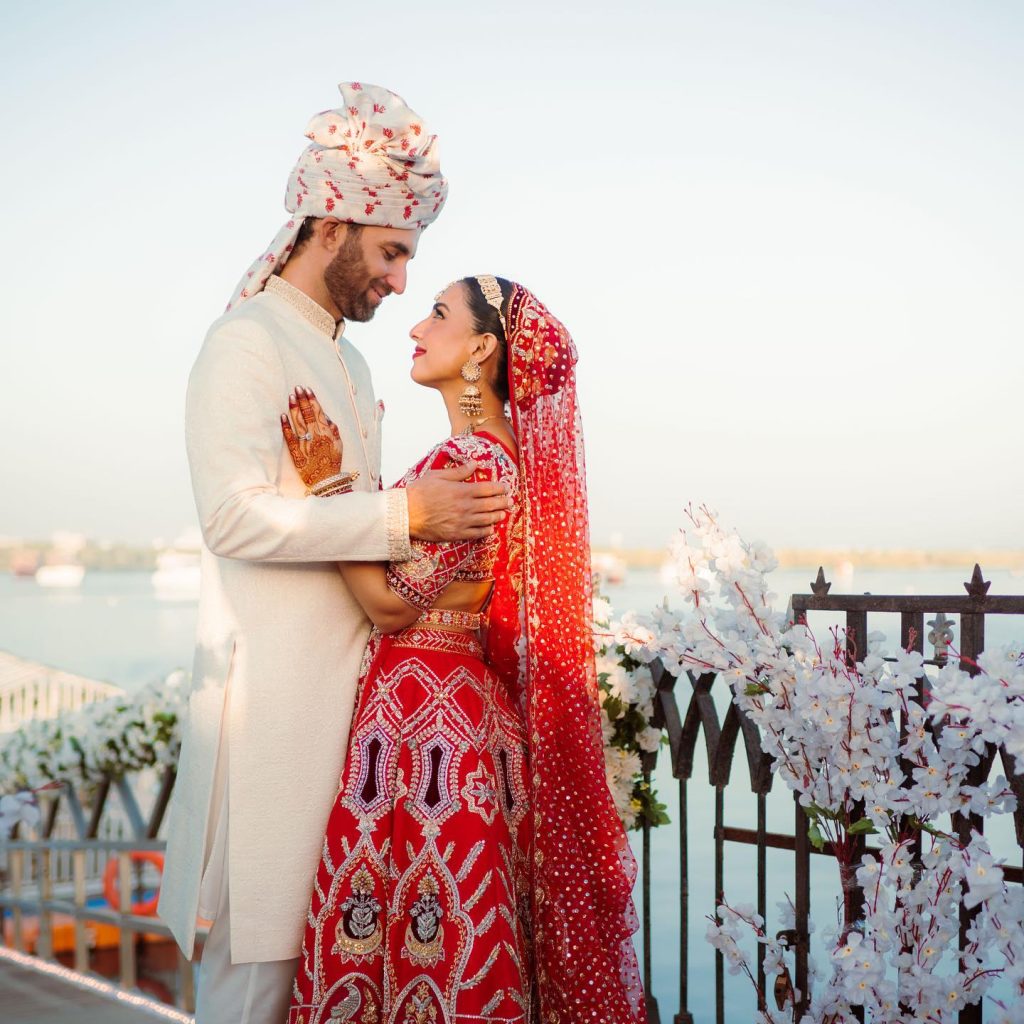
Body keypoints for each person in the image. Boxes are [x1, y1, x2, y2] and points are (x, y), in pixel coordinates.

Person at [157, 83, 512, 1024]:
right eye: (393, 253)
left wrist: (395, 523)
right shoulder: (246, 344)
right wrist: (406, 516)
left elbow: (353, 537)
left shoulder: (348, 364)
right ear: (333, 226)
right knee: (251, 992)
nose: (400, 284)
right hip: (269, 730)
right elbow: (232, 519)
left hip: (356, 750)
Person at [280, 277, 647, 1024]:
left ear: (482, 347)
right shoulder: (491, 452)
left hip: (426, 724)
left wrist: (331, 492)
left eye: (439, 313)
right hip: (455, 708)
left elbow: (387, 603)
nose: (416, 323)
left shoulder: (475, 460)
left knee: (422, 940)